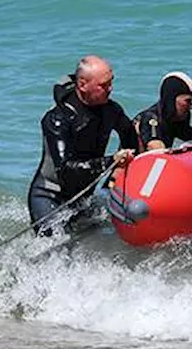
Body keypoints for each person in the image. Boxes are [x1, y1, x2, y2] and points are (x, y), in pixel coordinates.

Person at [27, 55, 137, 232]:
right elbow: (66, 170)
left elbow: (130, 138)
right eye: (104, 85)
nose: (111, 89)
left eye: (111, 82)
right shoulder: (58, 119)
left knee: (95, 244)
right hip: (49, 195)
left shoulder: (112, 110)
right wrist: (110, 161)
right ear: (83, 84)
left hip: (84, 197)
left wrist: (116, 175)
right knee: (56, 251)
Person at [132, 71, 192, 152]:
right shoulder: (150, 118)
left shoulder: (175, 118)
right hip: (130, 170)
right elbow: (155, 147)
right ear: (172, 100)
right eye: (187, 101)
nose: (191, 106)